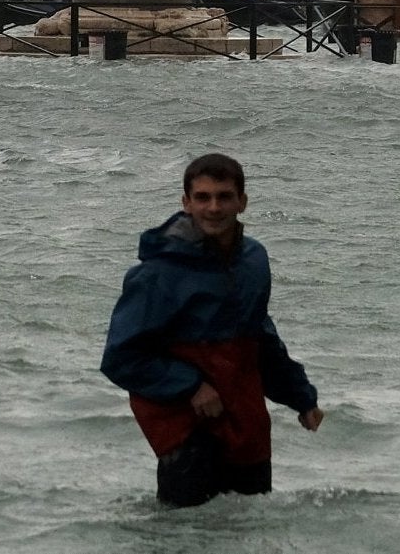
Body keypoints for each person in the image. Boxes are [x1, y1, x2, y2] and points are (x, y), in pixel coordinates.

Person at [101, 153, 321, 508]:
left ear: (243, 202)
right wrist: (191, 386)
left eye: (224, 196)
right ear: (186, 203)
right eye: (203, 197)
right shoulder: (157, 274)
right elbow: (121, 357)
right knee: (187, 537)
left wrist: (301, 396)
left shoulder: (254, 260)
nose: (214, 207)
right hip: (185, 428)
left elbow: (259, 338)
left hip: (245, 422)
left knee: (249, 531)